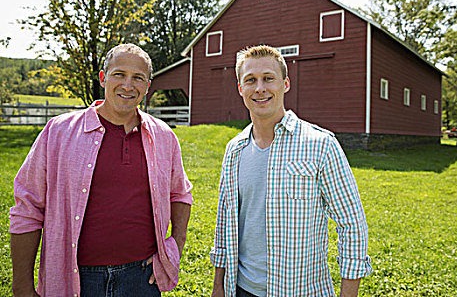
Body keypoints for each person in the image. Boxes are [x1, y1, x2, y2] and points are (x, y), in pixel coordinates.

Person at [9, 43, 193, 297]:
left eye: (138, 78)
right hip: (76, 278)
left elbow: (180, 196)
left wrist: (175, 247)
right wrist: (21, 287)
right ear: (103, 77)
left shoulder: (164, 136)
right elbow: (27, 209)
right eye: (119, 74)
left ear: (147, 86)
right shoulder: (58, 132)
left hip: (142, 279)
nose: (128, 85)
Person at [211, 45, 372, 297]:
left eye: (268, 78)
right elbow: (225, 224)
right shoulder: (234, 151)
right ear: (241, 89)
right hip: (241, 290)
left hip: (301, 291)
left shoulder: (321, 144)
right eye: (250, 80)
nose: (260, 88)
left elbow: (352, 224)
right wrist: (218, 286)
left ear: (285, 84)